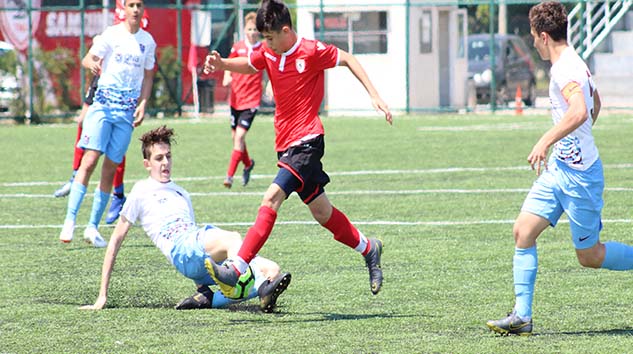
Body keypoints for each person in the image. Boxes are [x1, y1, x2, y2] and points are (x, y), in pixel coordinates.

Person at [202, 0, 392, 299]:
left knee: (271, 198)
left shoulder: (311, 51)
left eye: (269, 37)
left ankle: (237, 267)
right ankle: (369, 248)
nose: (266, 44)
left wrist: (375, 95)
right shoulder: (269, 50)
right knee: (322, 212)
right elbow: (251, 64)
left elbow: (348, 59)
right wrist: (224, 63)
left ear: (285, 31)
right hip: (286, 145)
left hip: (307, 142)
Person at [486, 1, 633, 336]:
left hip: (581, 178)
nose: (533, 42)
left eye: (533, 37)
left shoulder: (565, 68)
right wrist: (571, 143)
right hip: (559, 171)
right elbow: (595, 103)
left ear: (542, 36)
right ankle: (522, 317)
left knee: (590, 256)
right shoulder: (572, 63)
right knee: (523, 231)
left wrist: (546, 140)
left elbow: (581, 109)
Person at [79, 125, 291, 312]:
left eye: (168, 156)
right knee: (232, 239)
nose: (165, 162)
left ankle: (214, 298)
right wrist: (102, 295)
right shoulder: (141, 191)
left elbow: (197, 245)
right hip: (181, 248)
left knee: (272, 270)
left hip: (196, 252)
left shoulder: (181, 193)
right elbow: (115, 240)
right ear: (147, 163)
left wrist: (200, 285)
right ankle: (236, 278)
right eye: (159, 158)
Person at [59, 0, 155, 248]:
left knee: (110, 168)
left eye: (139, 5)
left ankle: (92, 227)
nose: (135, 9)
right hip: (102, 107)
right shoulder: (111, 34)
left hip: (125, 113)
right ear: (123, 9)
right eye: (131, 5)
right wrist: (91, 63)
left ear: (143, 9)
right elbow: (87, 58)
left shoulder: (147, 42)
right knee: (89, 161)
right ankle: (69, 221)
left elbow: (148, 76)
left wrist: (143, 102)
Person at [221, 11, 262, 189]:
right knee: (236, 139)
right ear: (245, 30)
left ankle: (229, 177)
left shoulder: (263, 49)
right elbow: (228, 64)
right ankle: (248, 163)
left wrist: (269, 85)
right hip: (236, 99)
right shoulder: (237, 47)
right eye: (249, 29)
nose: (252, 32)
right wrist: (226, 75)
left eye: (255, 29)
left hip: (252, 101)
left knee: (239, 137)